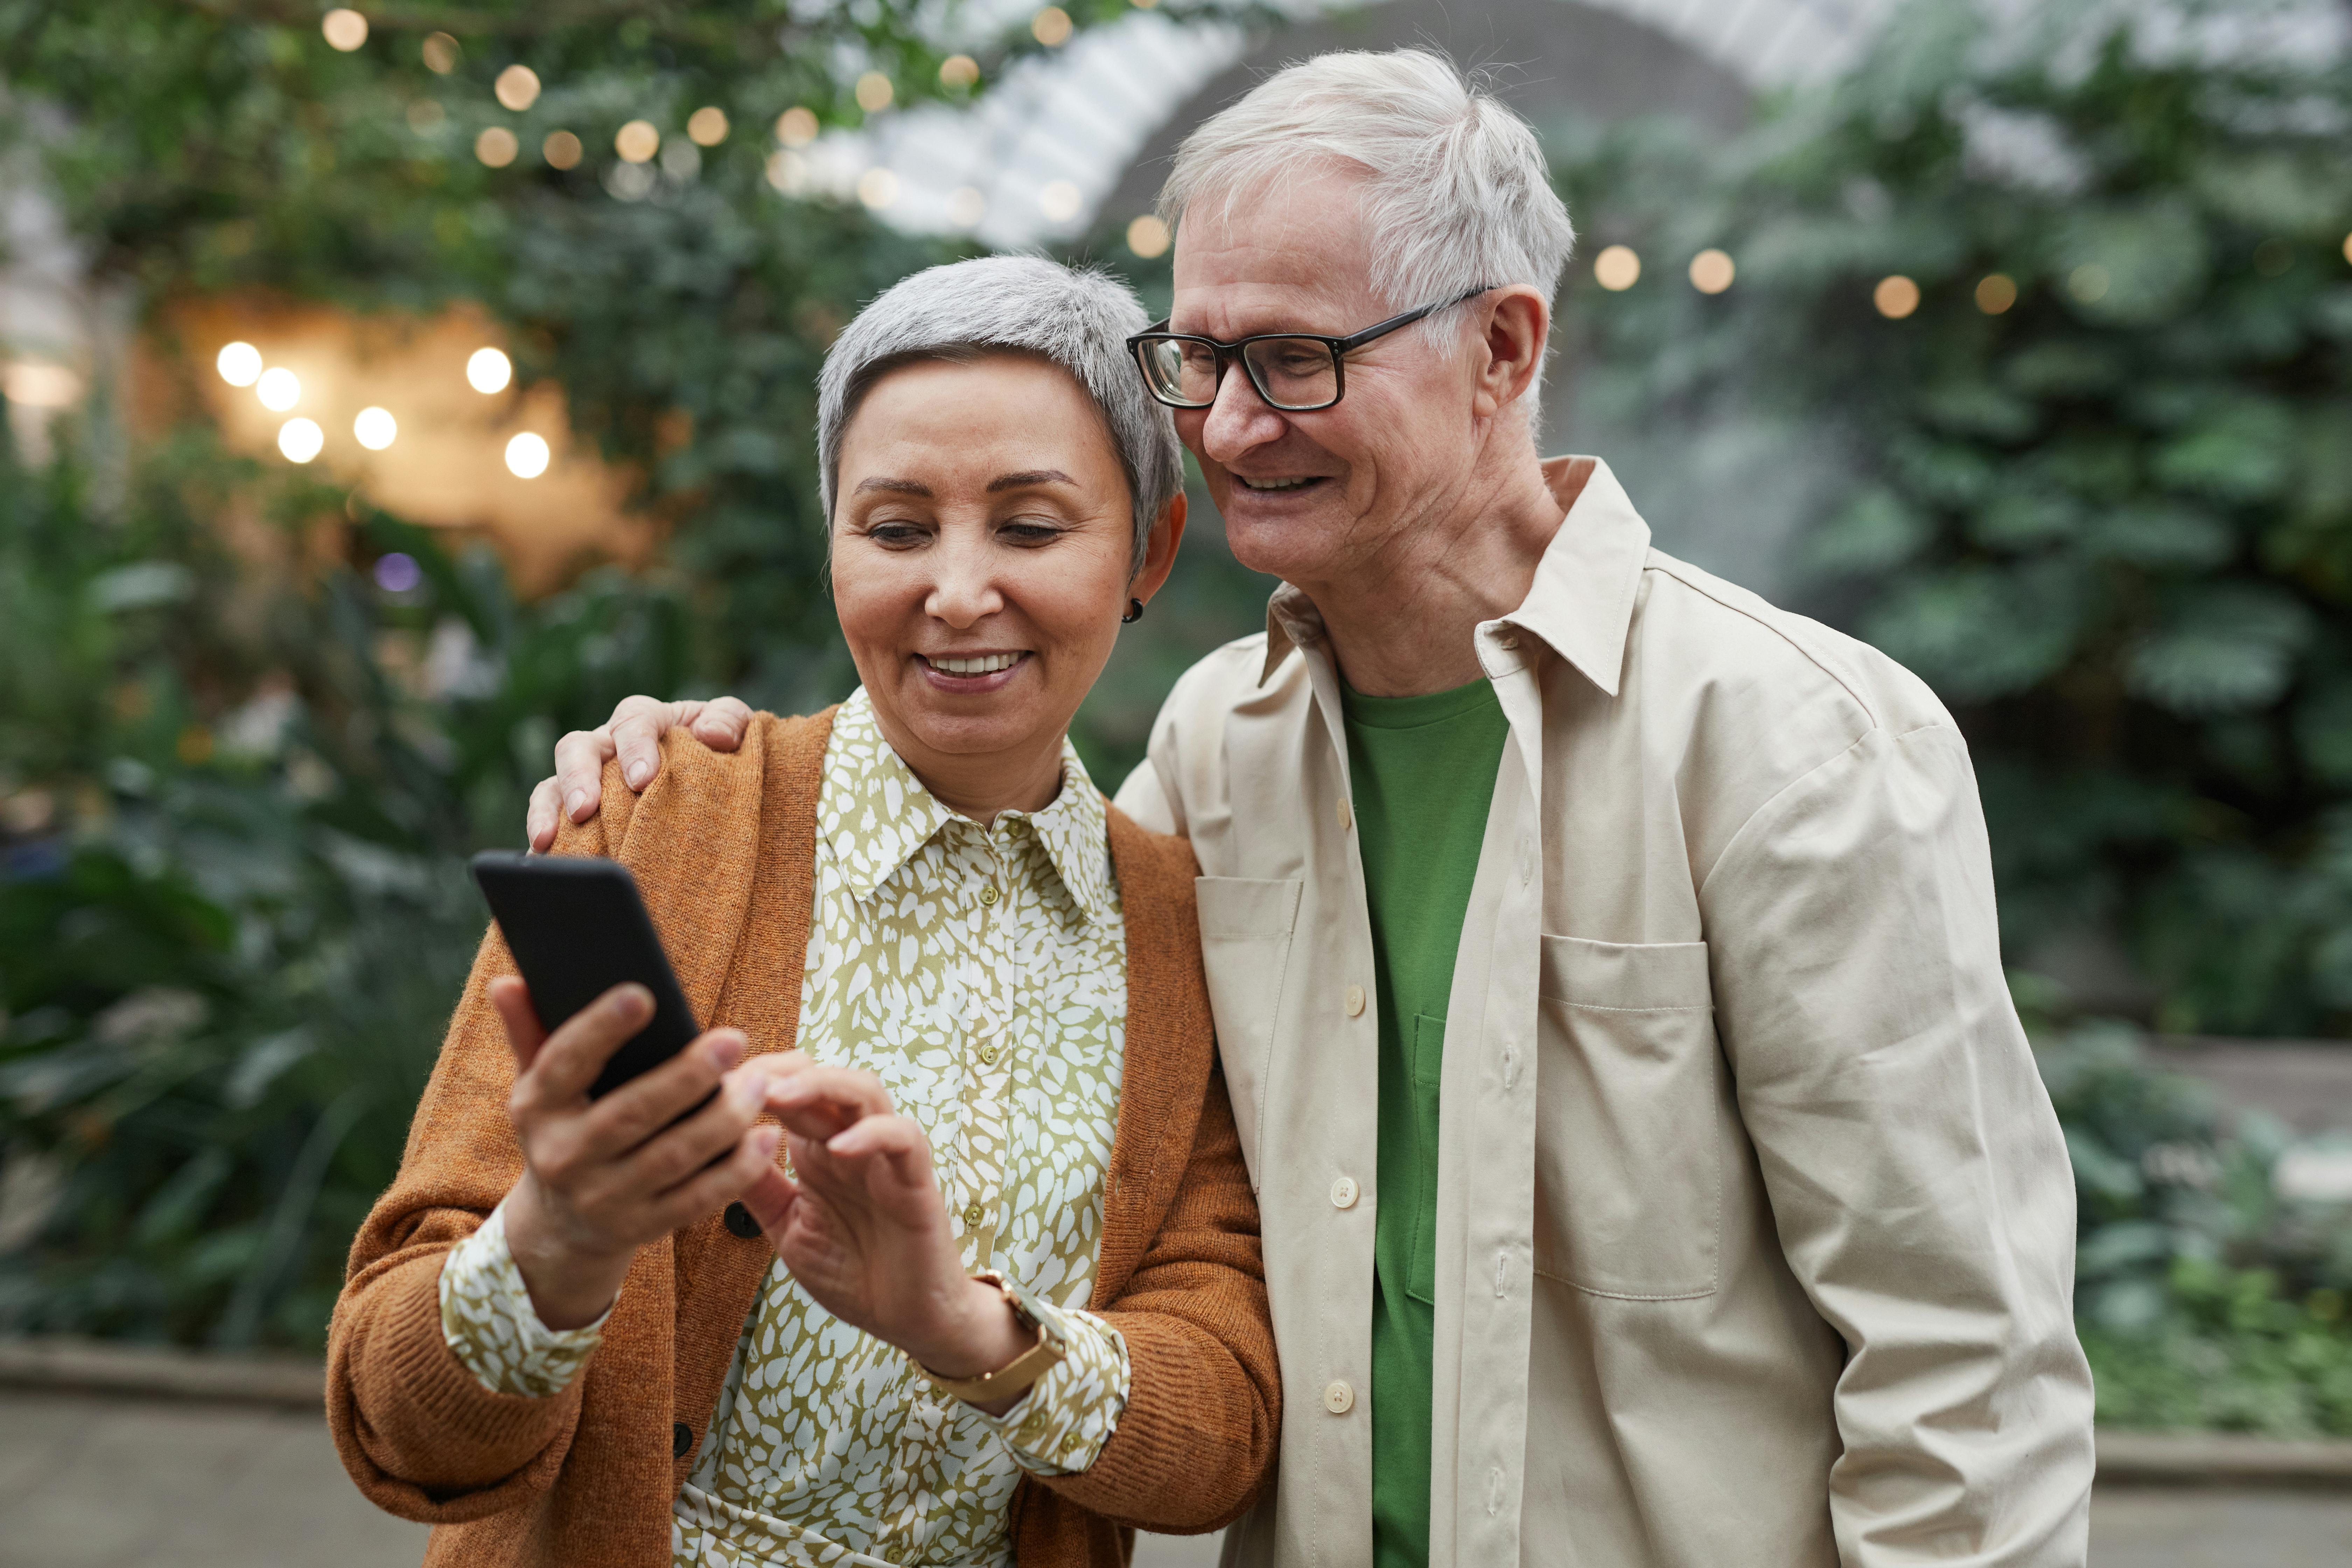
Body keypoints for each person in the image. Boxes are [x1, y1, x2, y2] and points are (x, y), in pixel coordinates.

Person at [530, 50, 2097, 1568]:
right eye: (1198, 358)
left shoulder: (1790, 741)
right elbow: (989, 900)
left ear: (1502, 348)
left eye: (1294, 358)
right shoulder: (1217, 752)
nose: (1221, 425)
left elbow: (1967, 1362)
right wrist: (711, 764)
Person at [328, 256, 1279, 1568]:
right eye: (895, 528)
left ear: (1150, 552)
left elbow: (1222, 1427)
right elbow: (400, 1427)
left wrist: (968, 1330)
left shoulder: (1184, 927)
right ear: (832, 541)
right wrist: (558, 1237)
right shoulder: (664, 815)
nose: (954, 592)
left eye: (1031, 526)